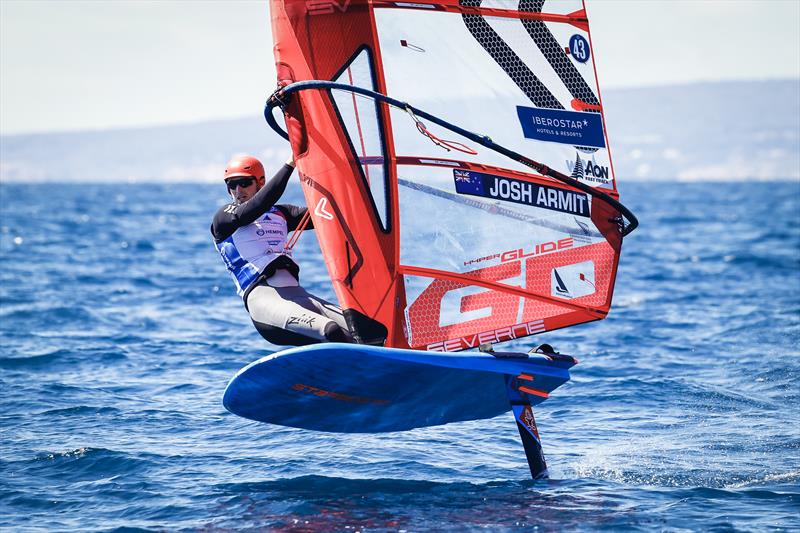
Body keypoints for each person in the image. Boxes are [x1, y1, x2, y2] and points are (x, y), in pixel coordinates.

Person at [211, 154, 353, 346]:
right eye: (231, 184)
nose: (238, 190)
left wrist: (345, 172)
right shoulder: (224, 218)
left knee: (365, 330)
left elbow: (328, 211)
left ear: (260, 183)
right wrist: (290, 164)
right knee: (331, 330)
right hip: (265, 301)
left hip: (300, 295)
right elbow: (255, 207)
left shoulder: (281, 214)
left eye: (244, 183)